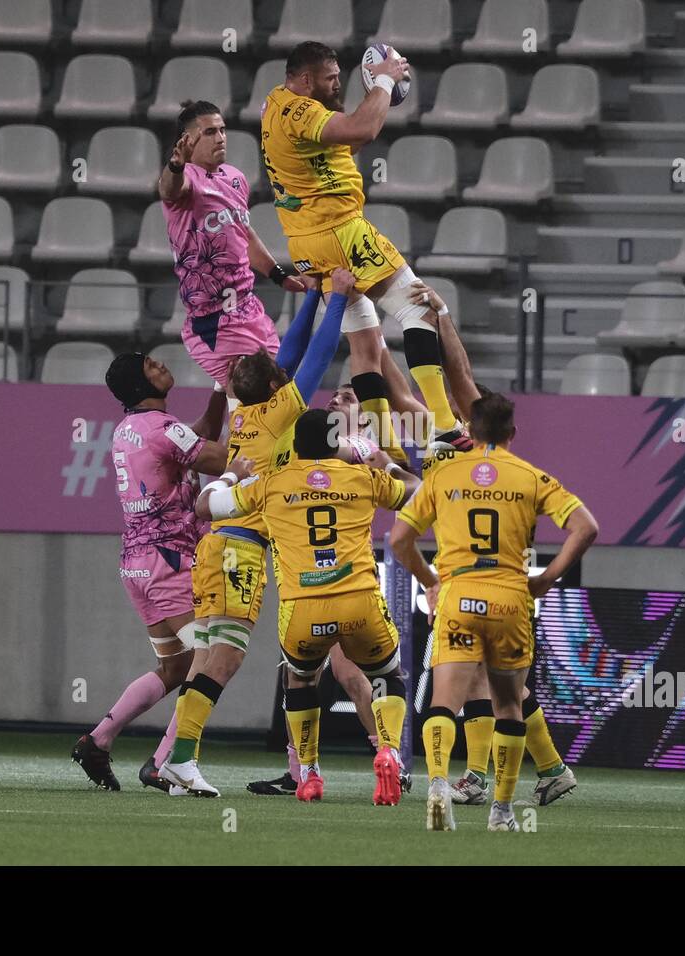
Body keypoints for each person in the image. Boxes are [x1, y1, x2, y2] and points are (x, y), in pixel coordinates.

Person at [153, 269, 352, 796]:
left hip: (223, 544)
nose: (288, 379)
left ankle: (178, 761)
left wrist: (312, 294)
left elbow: (285, 358)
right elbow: (317, 353)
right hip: (239, 548)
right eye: (279, 378)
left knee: (214, 655)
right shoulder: (280, 409)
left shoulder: (248, 409)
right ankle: (180, 759)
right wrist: (336, 298)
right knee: (226, 656)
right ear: (274, 388)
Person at [390, 392, 598, 831]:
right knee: (508, 704)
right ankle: (501, 812)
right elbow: (586, 527)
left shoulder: (444, 476)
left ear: (469, 429)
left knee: (444, 700)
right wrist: (546, 579)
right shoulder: (531, 476)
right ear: (513, 433)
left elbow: (398, 541)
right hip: (509, 597)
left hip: (459, 594)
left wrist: (430, 580)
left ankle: (437, 787)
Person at [197, 410, 419, 804]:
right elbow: (419, 493)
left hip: (303, 609)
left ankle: (310, 773)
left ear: (295, 447)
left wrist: (231, 473)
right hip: (360, 602)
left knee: (300, 680)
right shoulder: (363, 478)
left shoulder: (270, 484)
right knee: (386, 675)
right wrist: (384, 461)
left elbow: (204, 505)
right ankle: (389, 752)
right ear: (337, 445)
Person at [260, 41, 468, 452]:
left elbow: (345, 139)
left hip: (306, 243)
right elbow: (362, 129)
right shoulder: (300, 110)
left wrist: (378, 95)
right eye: (330, 78)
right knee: (419, 309)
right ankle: (445, 425)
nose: (338, 84)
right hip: (341, 230)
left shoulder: (276, 104)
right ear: (305, 81)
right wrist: (385, 83)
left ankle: (389, 450)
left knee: (365, 346)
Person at [69, 352, 228, 793]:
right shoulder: (160, 430)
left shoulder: (130, 429)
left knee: (174, 667)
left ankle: (98, 740)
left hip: (136, 564)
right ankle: (165, 762)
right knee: (208, 658)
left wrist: (219, 390)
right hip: (170, 562)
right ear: (141, 384)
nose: (161, 364)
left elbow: (195, 437)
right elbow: (216, 456)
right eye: (151, 365)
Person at [159, 100, 307, 387]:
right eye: (210, 132)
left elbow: (243, 232)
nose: (221, 138)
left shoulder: (236, 177)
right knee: (262, 401)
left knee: (284, 393)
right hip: (214, 322)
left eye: (223, 130)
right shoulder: (186, 178)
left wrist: (278, 275)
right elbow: (169, 189)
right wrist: (175, 166)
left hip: (249, 308)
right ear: (187, 141)